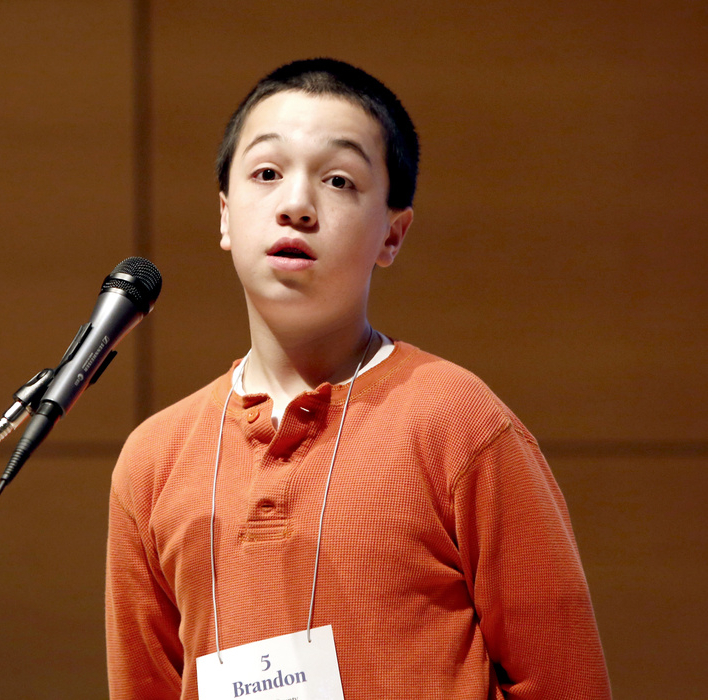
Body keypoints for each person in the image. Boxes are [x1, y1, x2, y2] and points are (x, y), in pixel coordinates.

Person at [106, 58, 611, 699]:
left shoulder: (459, 421)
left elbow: (568, 685)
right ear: (227, 217)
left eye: (339, 180)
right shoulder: (154, 459)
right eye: (266, 173)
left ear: (392, 234)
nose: (295, 204)